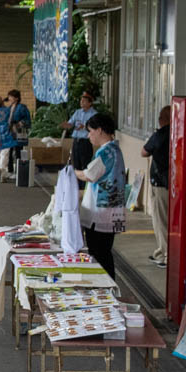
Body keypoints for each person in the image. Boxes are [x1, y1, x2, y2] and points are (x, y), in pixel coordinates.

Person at [76, 112, 126, 278]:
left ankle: (106, 289)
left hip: (101, 214)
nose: (89, 135)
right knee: (103, 252)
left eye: (90, 131)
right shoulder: (115, 150)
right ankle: (107, 288)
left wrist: (72, 172)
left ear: (100, 130)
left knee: (99, 254)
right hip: (110, 211)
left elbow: (89, 174)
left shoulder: (106, 152)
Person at [141, 106, 171, 267]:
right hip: (170, 183)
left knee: (161, 220)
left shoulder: (160, 135)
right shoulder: (177, 133)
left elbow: (144, 151)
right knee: (165, 219)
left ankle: (165, 255)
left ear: (162, 119)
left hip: (160, 184)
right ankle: (162, 252)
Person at [61, 91, 98, 178]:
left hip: (85, 142)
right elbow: (71, 123)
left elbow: (95, 128)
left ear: (90, 103)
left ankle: (83, 187)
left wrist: (84, 126)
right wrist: (66, 125)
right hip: (76, 142)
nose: (81, 102)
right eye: (81, 101)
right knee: (75, 164)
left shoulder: (94, 114)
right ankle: (76, 187)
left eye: (84, 101)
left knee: (85, 165)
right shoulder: (77, 112)